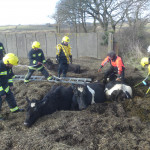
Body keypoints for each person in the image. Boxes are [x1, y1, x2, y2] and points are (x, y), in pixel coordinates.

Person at [0, 53, 24, 120]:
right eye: (12, 64)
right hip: (0, 87)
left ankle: (14, 109)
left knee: (10, 97)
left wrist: (10, 84)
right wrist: (1, 92)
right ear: (7, 62)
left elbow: (10, 76)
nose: (12, 66)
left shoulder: (8, 67)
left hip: (5, 86)